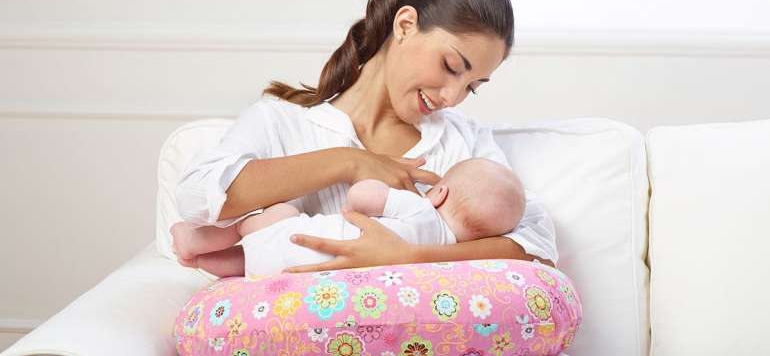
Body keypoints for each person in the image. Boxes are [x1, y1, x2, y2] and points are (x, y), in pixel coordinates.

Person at [174, 0, 558, 277]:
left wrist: (410, 255)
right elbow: (195, 198)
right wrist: (348, 162)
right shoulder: (282, 123)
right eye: (451, 66)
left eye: (472, 87)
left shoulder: (462, 144)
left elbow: (535, 246)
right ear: (405, 25)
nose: (452, 97)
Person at [172, 157, 526, 277]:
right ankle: (206, 261)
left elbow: (361, 196)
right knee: (244, 262)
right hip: (290, 274)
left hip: (293, 235)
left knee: (263, 221)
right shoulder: (449, 261)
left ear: (439, 193)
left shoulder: (420, 207)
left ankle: (192, 243)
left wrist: (374, 188)